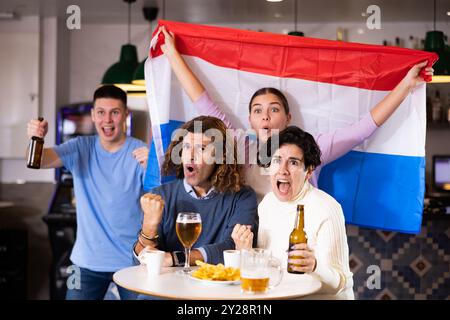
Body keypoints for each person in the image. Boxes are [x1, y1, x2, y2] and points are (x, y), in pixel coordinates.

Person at [159, 25, 434, 201]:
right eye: (258, 111)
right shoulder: (239, 147)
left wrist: (406, 85)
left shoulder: (311, 149)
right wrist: (172, 54)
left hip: (298, 244)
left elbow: (364, 127)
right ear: (251, 120)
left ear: (287, 119)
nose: (265, 116)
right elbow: (203, 102)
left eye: (274, 109)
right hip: (250, 244)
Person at [26, 85, 149, 300]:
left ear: (125, 115)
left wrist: (154, 167)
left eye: (115, 112)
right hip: (83, 264)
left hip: (133, 264)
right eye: (101, 112)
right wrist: (36, 138)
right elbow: (39, 161)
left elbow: (163, 199)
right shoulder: (79, 148)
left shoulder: (141, 153)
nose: (107, 120)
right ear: (93, 115)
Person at [232, 126, 354, 299]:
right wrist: (246, 251)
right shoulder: (267, 204)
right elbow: (268, 269)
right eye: (277, 160)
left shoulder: (326, 207)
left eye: (293, 162)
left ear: (308, 171)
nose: (283, 170)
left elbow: (341, 284)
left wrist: (315, 267)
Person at [133, 116, 258, 268]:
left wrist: (176, 258)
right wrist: (149, 227)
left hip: (215, 289)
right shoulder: (161, 195)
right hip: (166, 289)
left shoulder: (242, 197)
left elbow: (232, 247)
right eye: (186, 147)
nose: (191, 155)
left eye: (202, 148)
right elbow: (140, 262)